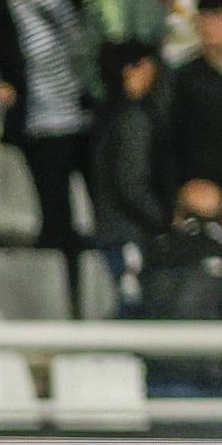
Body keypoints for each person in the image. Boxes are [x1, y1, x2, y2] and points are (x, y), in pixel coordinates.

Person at [0, 0, 88, 255]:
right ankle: (56, 241)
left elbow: (80, 44)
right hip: (38, 114)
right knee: (51, 189)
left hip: (77, 108)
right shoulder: (2, 4)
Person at [133, 179, 222, 396]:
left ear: (178, 213)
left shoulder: (149, 252)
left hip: (153, 382)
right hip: (210, 383)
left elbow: (125, 314)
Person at [86, 40, 169, 311]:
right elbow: (130, 183)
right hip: (128, 233)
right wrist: (163, 220)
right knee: (131, 306)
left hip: (113, 229)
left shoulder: (107, 114)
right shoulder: (134, 118)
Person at [166, 0, 222, 230]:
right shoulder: (185, 79)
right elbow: (167, 143)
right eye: (204, 17)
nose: (208, 25)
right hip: (202, 202)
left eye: (218, 17)